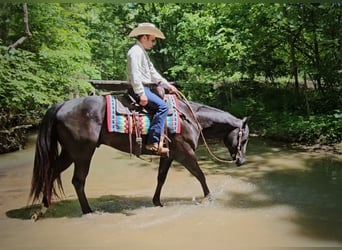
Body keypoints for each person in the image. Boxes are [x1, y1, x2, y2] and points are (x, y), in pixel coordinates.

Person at [127, 23, 178, 154]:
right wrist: (141, 93)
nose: (154, 43)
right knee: (164, 107)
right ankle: (152, 142)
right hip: (141, 89)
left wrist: (168, 85)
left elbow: (153, 73)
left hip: (146, 88)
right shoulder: (135, 52)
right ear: (144, 37)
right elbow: (135, 74)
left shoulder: (142, 52)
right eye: (153, 40)